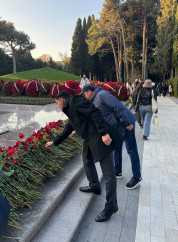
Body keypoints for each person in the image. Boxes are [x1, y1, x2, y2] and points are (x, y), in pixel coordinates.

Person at [45, 91, 123, 222]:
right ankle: (94, 185)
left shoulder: (74, 100)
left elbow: (94, 112)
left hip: (100, 138)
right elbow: (69, 127)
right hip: (90, 139)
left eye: (57, 103)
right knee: (86, 160)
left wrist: (104, 133)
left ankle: (111, 206)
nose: (57, 106)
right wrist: (54, 142)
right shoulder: (70, 109)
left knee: (109, 176)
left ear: (62, 101)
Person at [81, 85, 142, 190]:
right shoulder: (95, 100)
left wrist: (127, 123)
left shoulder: (102, 94)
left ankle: (137, 177)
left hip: (126, 124)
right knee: (117, 148)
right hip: (117, 127)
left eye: (84, 94)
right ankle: (117, 171)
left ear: (89, 92)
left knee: (131, 150)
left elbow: (118, 107)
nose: (84, 97)